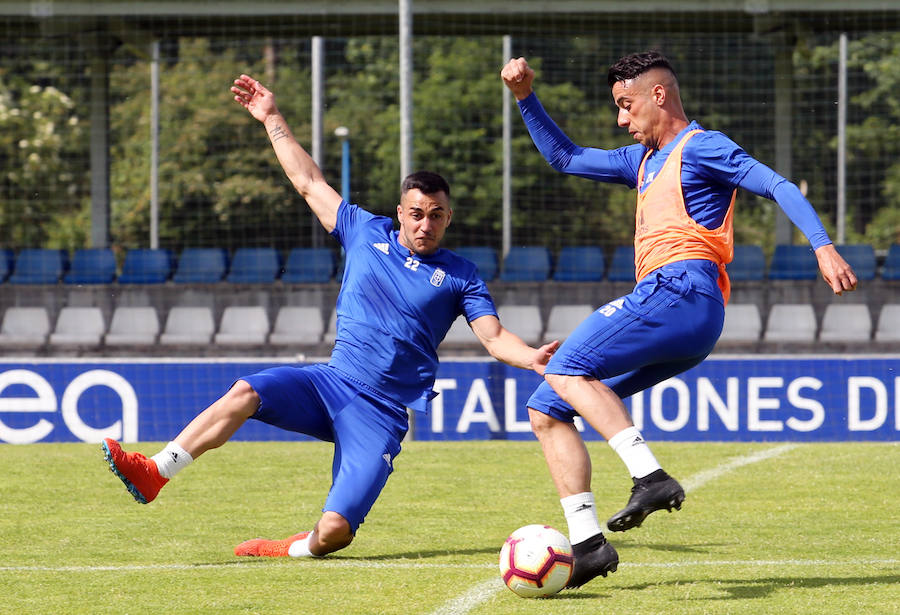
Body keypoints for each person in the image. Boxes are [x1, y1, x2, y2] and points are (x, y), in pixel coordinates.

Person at [101, 74, 559, 559]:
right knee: (245, 391)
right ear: (399, 213)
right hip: (331, 382)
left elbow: (493, 337)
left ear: (449, 217)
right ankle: (155, 472)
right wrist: (272, 118)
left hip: (381, 412)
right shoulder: (364, 231)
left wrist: (530, 357)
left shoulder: (461, 275)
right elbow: (308, 182)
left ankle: (295, 548)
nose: (426, 224)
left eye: (437, 215)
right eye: (417, 213)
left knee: (335, 531)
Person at [501, 51, 857, 588]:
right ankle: (589, 544)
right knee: (547, 408)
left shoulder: (703, 146)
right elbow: (566, 158)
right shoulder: (639, 161)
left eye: (626, 105)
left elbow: (778, 185)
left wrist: (822, 245)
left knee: (567, 366)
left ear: (658, 96)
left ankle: (650, 476)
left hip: (682, 291)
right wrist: (526, 97)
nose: (622, 119)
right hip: (682, 315)